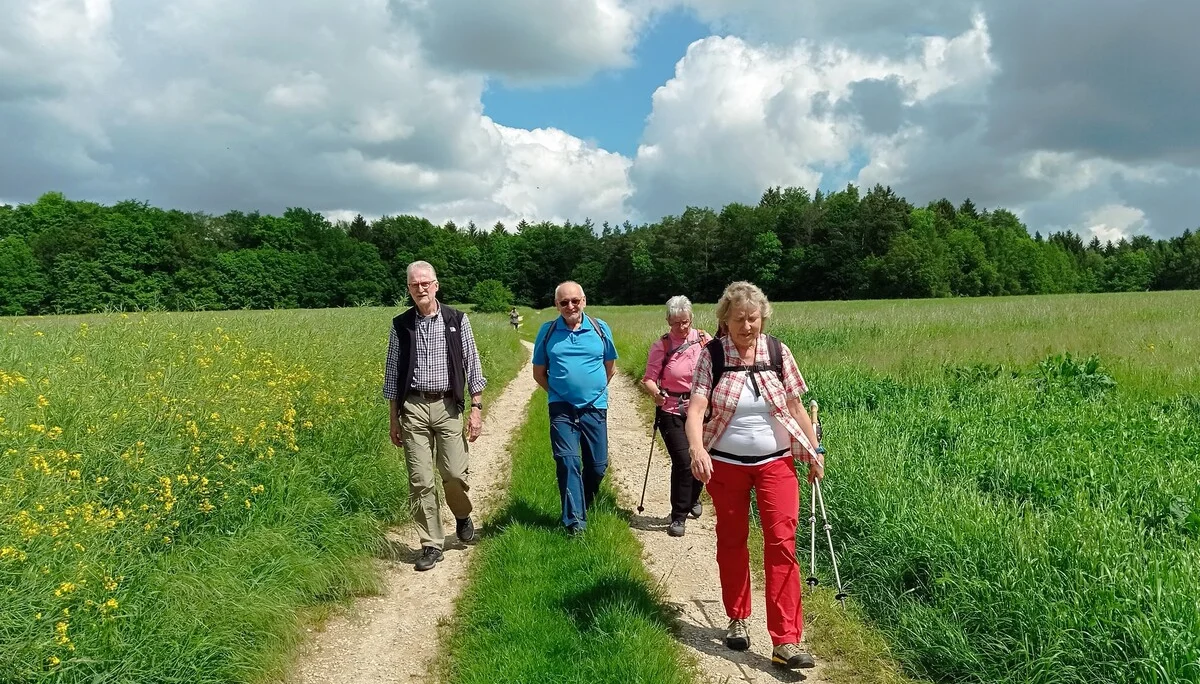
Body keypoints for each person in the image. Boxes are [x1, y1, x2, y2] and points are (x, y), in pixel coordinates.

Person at [685, 281, 825, 670]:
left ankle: (786, 640)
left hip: (776, 463)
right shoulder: (712, 355)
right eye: (739, 320)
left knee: (781, 542)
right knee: (732, 540)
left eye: (754, 319)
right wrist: (697, 449)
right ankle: (737, 617)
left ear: (763, 317)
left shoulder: (779, 352)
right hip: (726, 466)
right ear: (724, 320)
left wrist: (813, 451)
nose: (748, 327)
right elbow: (696, 409)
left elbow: (796, 408)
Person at [383, 261, 488, 572]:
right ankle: (431, 544)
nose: (421, 288)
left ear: (436, 285)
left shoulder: (457, 319)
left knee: (454, 473)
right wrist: (393, 418)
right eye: (415, 284)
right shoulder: (401, 325)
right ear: (409, 289)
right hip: (412, 407)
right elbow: (391, 374)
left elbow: (472, 362)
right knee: (420, 480)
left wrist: (477, 407)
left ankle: (461, 514)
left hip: (448, 406)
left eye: (426, 283)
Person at [531, 281, 618, 535]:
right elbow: (538, 373)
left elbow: (610, 366)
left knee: (598, 465)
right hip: (561, 409)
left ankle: (583, 502)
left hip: (595, 407)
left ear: (584, 301)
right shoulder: (547, 332)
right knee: (567, 461)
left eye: (575, 301)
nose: (570, 306)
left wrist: (594, 392)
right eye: (564, 302)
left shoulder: (600, 329)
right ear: (556, 305)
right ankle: (575, 523)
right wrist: (558, 395)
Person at [639, 295, 713, 537]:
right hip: (671, 408)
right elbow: (649, 379)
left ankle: (692, 498)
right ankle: (678, 516)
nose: (681, 328)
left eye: (685, 322)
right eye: (676, 323)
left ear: (691, 319)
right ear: (668, 321)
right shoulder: (662, 345)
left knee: (702, 456)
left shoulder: (704, 340)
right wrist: (655, 394)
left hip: (701, 408)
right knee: (683, 461)